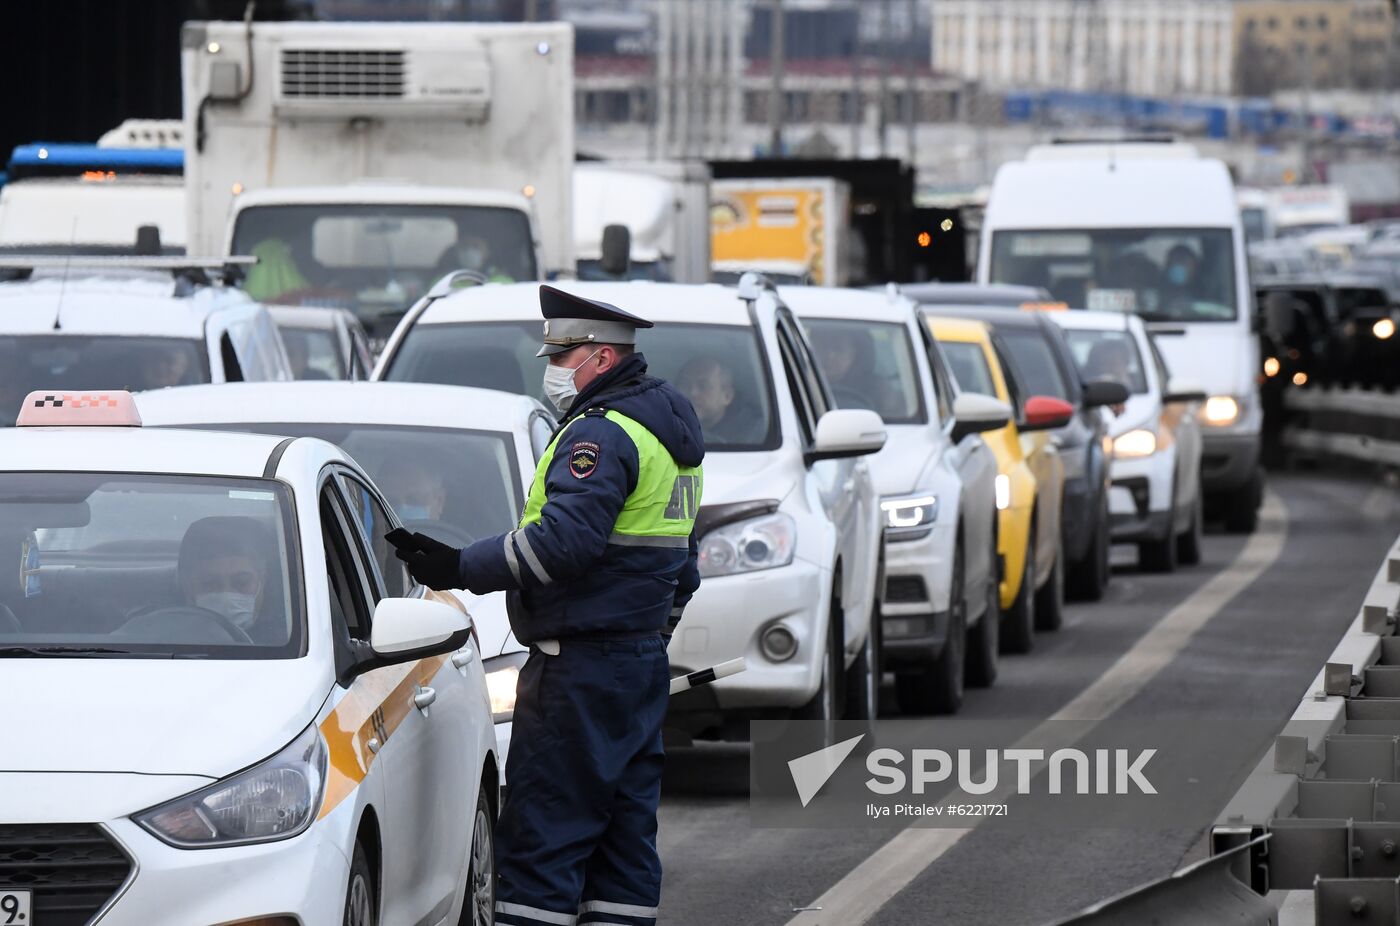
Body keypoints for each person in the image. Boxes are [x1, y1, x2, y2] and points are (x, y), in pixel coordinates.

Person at [387, 284, 706, 926]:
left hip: (579, 673)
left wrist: (458, 566)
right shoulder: (666, 428)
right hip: (636, 666)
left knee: (543, 839)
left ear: (602, 359)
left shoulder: (601, 435)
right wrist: (642, 637)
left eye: (563, 357)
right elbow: (683, 566)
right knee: (623, 847)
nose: (553, 370)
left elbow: (564, 543)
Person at [176, 516, 280, 643]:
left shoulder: (291, 639)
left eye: (241, 582)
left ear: (262, 580)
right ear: (188, 587)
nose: (226, 593)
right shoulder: (166, 639)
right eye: (210, 583)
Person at [678, 354, 752, 445]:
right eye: (685, 384)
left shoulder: (748, 439)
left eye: (703, 386)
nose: (693, 393)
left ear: (727, 396)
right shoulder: (663, 428)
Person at [379, 456, 449, 523]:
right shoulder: (368, 534)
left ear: (440, 501)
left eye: (414, 500)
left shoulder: (454, 535)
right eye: (390, 502)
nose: (400, 511)